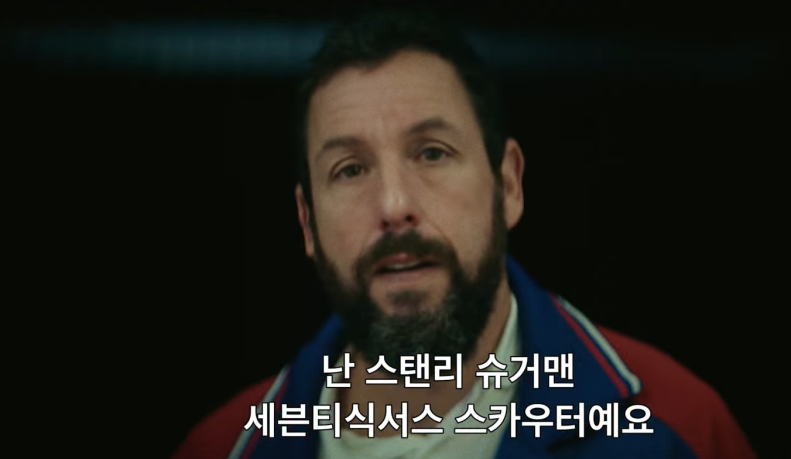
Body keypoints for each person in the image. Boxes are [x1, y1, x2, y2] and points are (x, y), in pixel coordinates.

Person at [173, 9, 756, 459]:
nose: (394, 206)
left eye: (432, 152)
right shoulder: (221, 449)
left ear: (509, 185)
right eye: (350, 170)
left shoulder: (676, 425)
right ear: (307, 223)